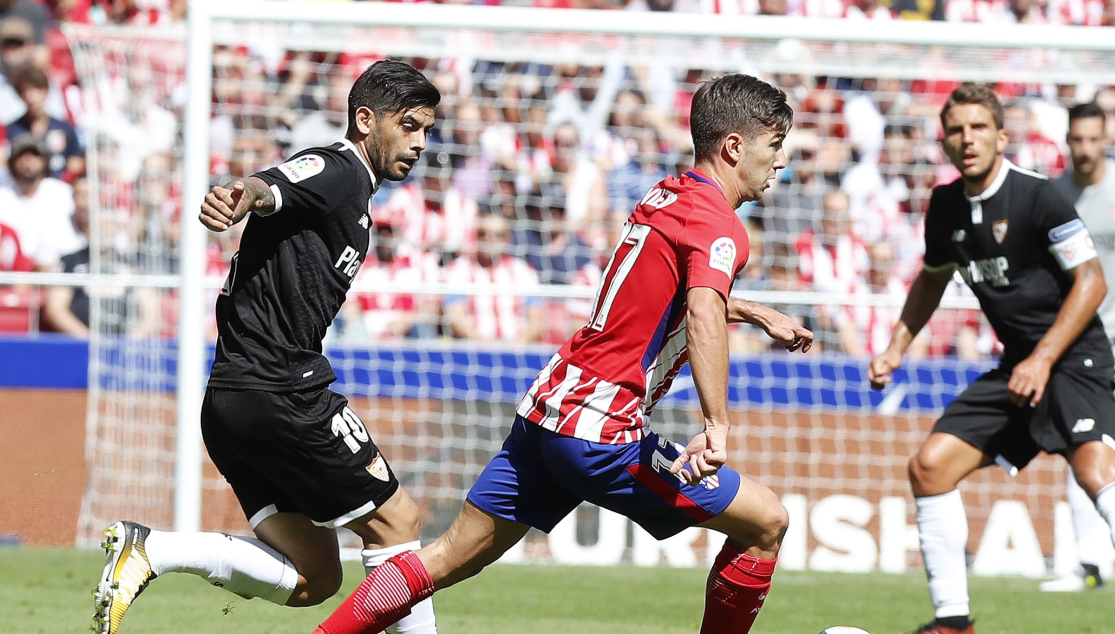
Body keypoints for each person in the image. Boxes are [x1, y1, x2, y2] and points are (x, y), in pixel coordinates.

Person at [306, 73, 815, 634]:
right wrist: (716, 424)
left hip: (550, 407)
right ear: (735, 147)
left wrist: (755, 312)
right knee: (767, 522)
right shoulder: (720, 226)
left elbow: (664, 293)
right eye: (774, 146)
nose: (782, 161)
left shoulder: (669, 195)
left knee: (448, 555)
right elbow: (700, 313)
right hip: (600, 431)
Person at [91, 60, 442, 634]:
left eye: (426, 130)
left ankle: (152, 551)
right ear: (365, 120)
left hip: (232, 401)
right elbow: (275, 183)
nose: (419, 142)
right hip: (283, 391)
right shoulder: (340, 171)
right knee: (398, 524)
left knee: (315, 577)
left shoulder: (355, 196)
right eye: (408, 125)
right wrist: (241, 195)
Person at [868, 85, 1115, 634]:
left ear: (1002, 136)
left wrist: (1044, 359)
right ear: (945, 141)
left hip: (1074, 357)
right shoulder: (946, 207)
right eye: (956, 130)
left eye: (979, 127)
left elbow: (1092, 282)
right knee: (929, 467)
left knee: (1094, 470)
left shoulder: (1040, 197)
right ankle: (952, 623)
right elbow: (931, 281)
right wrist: (895, 347)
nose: (968, 138)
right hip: (1020, 365)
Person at [1042, 101, 1115, 592]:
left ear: (1106, 138)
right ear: (1068, 140)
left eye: (1094, 139)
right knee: (1081, 445)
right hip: (1084, 344)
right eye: (1077, 140)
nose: (1085, 149)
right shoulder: (1054, 196)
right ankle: (1089, 565)